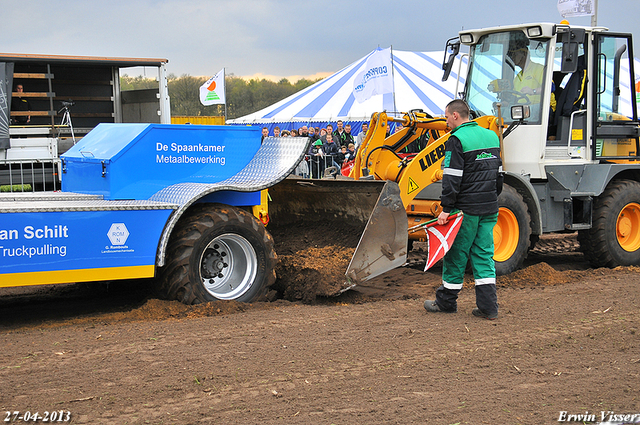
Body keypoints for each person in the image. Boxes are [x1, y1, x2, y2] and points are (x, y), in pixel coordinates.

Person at [423, 99, 503, 320]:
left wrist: (446, 208)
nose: (446, 120)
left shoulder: (456, 139)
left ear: (456, 116)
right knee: (484, 255)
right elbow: (499, 175)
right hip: (489, 207)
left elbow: (452, 178)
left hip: (466, 210)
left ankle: (446, 302)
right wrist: (489, 199)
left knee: (456, 254)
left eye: (447, 116)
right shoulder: (491, 136)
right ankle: (488, 308)